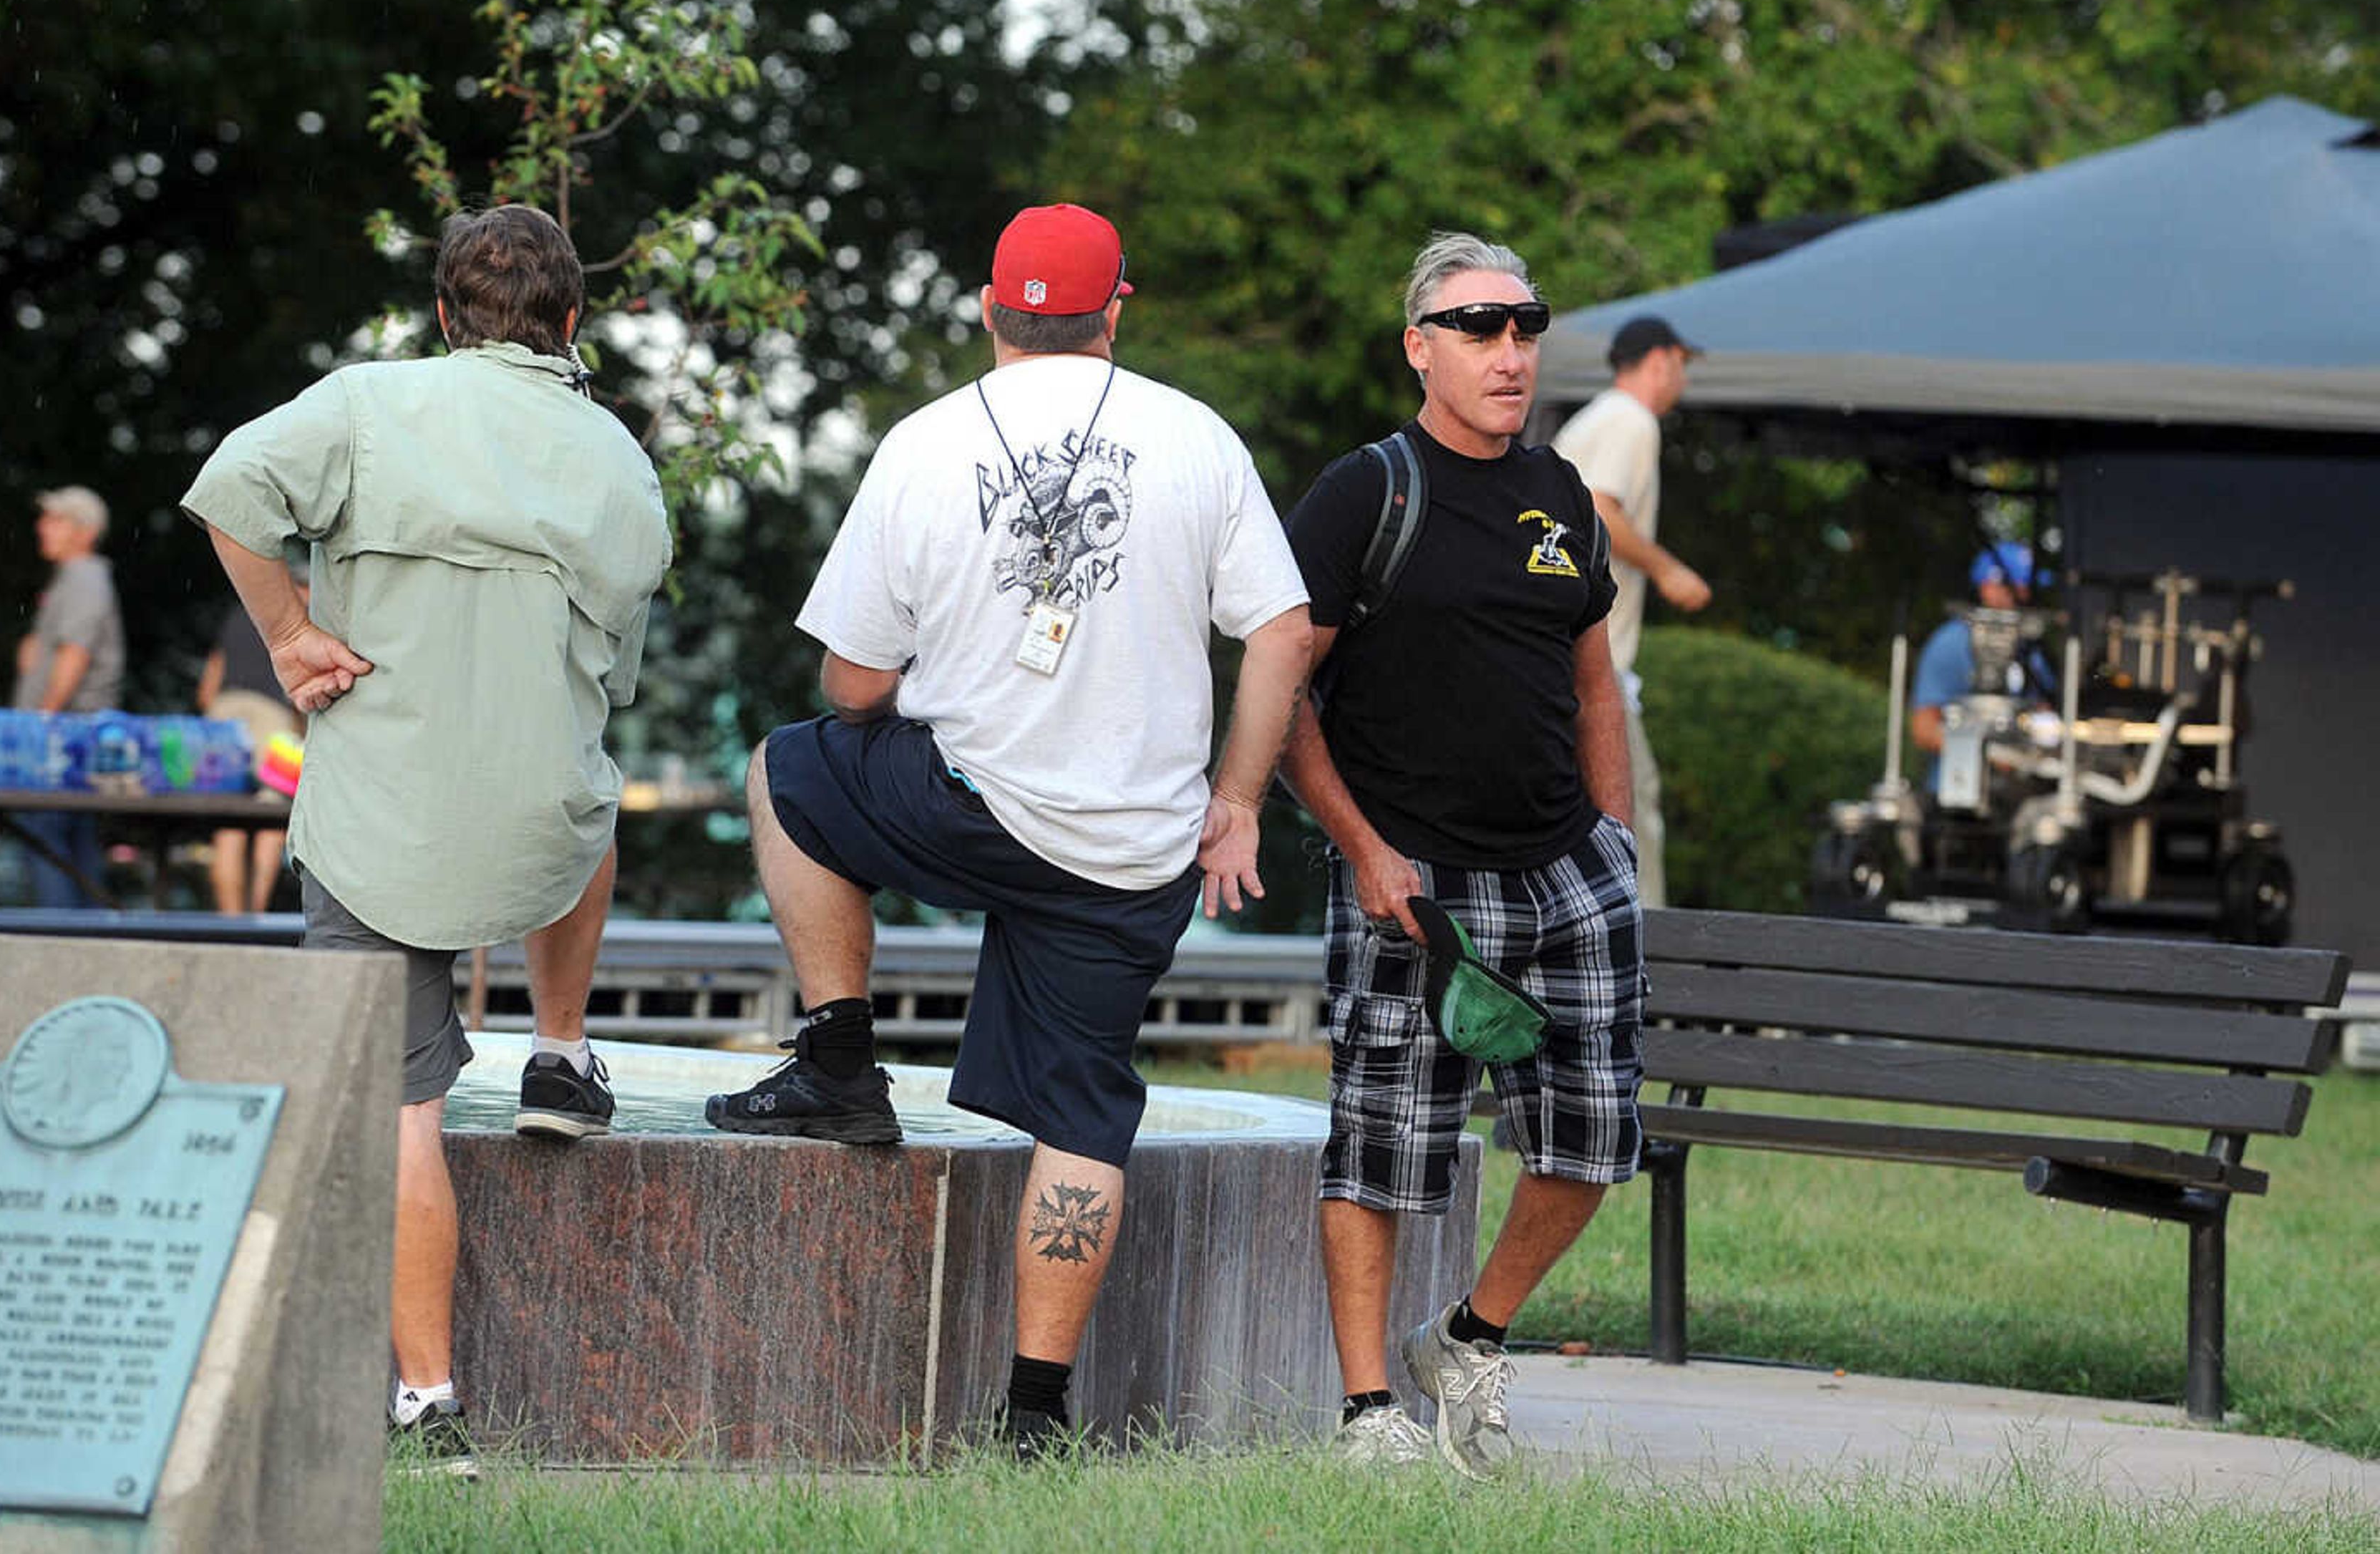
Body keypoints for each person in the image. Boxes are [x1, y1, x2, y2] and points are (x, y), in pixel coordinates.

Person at [704, 203, 1313, 1454]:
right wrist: (1236, 799)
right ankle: (1033, 1417)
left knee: (788, 770)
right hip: (1134, 848)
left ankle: (837, 1057)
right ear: (1116, 312)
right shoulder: (1196, 438)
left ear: (989, 309)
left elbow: (855, 691)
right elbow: (1283, 629)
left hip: (965, 808)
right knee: (1085, 1114)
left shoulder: (926, 443)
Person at [181, 202, 670, 1470]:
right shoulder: (619, 457)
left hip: (375, 823)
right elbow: (614, 681)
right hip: (539, 824)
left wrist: (291, 636)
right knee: (590, 790)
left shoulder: (363, 403)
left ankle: (429, 1403)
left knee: (406, 1116)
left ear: (447, 316)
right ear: (572, 322)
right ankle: (560, 1052)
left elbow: (230, 490)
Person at [1281, 232, 1641, 1476]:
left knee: (1593, 1141)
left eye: (1526, 326)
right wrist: (1365, 852)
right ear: (1419, 347)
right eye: (1479, 327)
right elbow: (1285, 694)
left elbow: (1596, 682)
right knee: (1384, 1146)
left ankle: (1472, 1337)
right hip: (1415, 874)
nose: (1510, 351)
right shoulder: (1364, 493)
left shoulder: (1563, 494)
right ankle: (1370, 1413)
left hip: (1564, 868)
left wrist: (1616, 840)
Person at [1550, 313, 1707, 909]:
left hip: (1557, 653)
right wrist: (1666, 567)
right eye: (1682, 367)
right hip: (1589, 661)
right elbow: (1600, 508)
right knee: (1632, 802)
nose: (1682, 382)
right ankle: (1641, 952)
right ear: (1662, 359)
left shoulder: (1594, 418)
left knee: (1582, 812)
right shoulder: (1630, 420)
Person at [11, 484, 128, 907]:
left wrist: (43, 719)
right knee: (74, 846)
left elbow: (75, 653)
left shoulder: (83, 576)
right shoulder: (76, 579)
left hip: (63, 733)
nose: (43, 527)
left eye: (56, 519)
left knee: (44, 837)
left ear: (85, 531)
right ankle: (85, 945)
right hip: (74, 732)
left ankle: (60, 946)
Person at [195, 555, 308, 914]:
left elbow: (206, 688)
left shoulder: (240, 615)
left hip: (222, 718)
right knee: (271, 816)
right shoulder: (301, 622)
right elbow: (299, 691)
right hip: (272, 718)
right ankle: (255, 916)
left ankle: (230, 921)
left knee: (228, 822)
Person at [1908, 542, 2056, 795]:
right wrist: (1991, 754)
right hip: (1954, 802)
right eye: (2017, 586)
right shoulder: (1952, 644)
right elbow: (1923, 729)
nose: (2025, 595)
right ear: (1988, 587)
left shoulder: (2029, 647)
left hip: (2019, 798)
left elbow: (2045, 714)